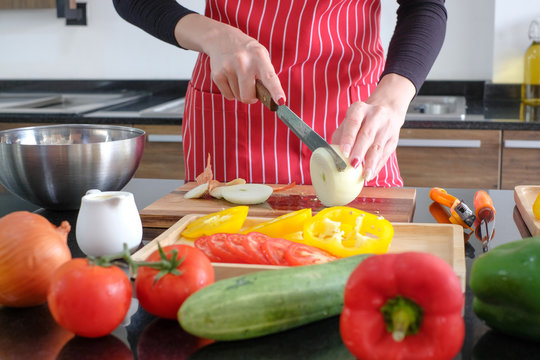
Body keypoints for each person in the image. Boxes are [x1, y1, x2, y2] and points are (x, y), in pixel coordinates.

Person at [113, 0, 447, 187]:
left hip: (351, 121)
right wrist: (212, 35)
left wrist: (392, 98)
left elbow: (425, 5)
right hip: (235, 110)